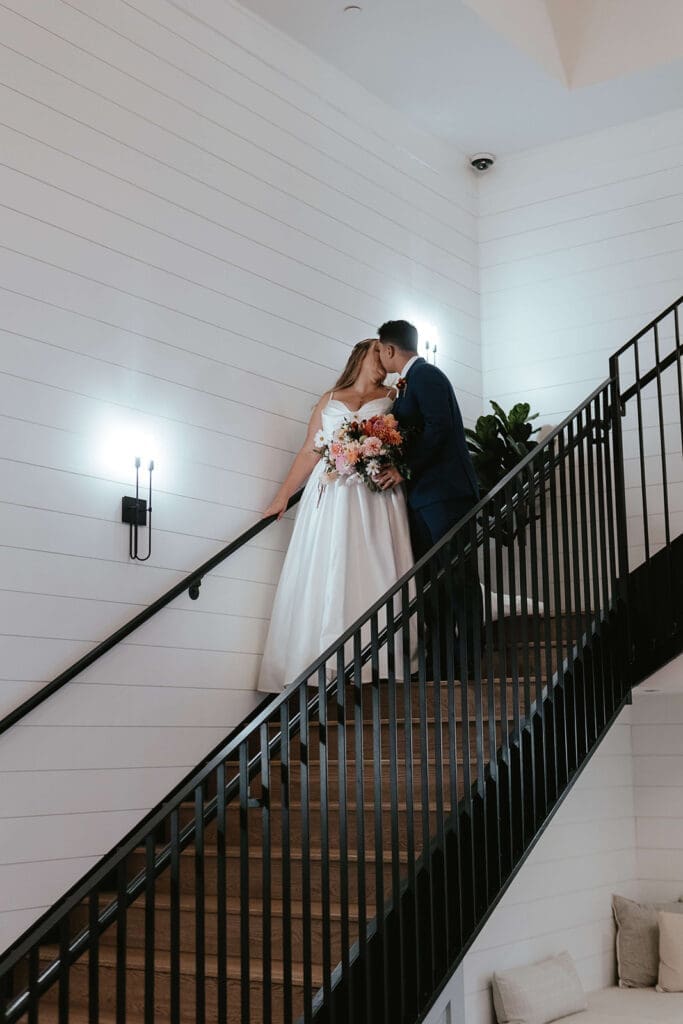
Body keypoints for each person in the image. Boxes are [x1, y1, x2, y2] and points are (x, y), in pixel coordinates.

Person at [257, 339, 415, 693]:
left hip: (374, 496)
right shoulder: (330, 399)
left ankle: (378, 659)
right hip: (331, 494)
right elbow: (310, 450)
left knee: (371, 565)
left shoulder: (394, 397)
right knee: (326, 568)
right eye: (379, 353)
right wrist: (282, 496)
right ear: (363, 356)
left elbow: (406, 443)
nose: (385, 361)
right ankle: (320, 662)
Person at [375, 320, 482, 674]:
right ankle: (438, 660)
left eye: (380, 351)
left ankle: (469, 657)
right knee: (432, 579)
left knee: (457, 575)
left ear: (390, 349)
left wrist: (404, 469)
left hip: (446, 494)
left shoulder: (427, 376)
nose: (380, 358)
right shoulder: (407, 386)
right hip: (423, 497)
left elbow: (440, 427)